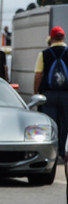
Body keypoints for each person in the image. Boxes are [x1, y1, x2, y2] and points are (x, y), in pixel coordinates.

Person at [34, 26, 68, 159]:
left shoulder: (44, 54)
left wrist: (36, 92)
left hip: (49, 95)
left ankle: (50, 154)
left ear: (51, 38)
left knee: (50, 124)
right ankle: (62, 152)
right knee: (65, 124)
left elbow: (38, 75)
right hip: (66, 94)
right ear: (63, 37)